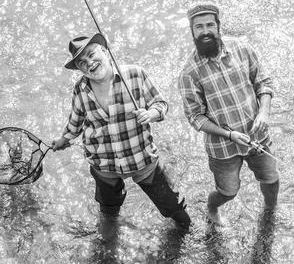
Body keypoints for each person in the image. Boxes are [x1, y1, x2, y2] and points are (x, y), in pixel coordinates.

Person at [51, 33, 191, 235]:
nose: (89, 63)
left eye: (92, 54)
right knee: (108, 209)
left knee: (171, 204)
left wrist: (151, 114)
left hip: (142, 160)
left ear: (105, 50)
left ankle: (189, 232)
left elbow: (161, 104)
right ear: (79, 68)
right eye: (82, 62)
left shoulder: (135, 74)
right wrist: (63, 139)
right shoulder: (80, 89)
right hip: (104, 164)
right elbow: (76, 121)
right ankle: (108, 240)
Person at [177, 3, 279, 226]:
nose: (205, 31)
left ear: (218, 26)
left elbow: (263, 83)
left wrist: (263, 113)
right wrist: (230, 135)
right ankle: (211, 208)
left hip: (257, 136)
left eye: (210, 25)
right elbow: (196, 117)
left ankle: (270, 212)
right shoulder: (188, 72)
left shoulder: (243, 49)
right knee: (228, 192)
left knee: (271, 179)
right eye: (199, 27)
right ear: (192, 31)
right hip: (223, 148)